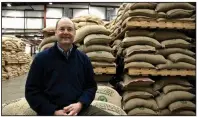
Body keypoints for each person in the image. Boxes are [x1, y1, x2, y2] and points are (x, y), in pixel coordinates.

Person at [25, 17, 113, 116]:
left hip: (79, 110)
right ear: (55, 33)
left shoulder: (83, 59)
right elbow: (32, 91)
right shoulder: (41, 59)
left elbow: (90, 87)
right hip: (51, 111)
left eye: (70, 29)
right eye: (62, 29)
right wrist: (53, 111)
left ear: (74, 33)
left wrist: (80, 104)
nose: (66, 32)